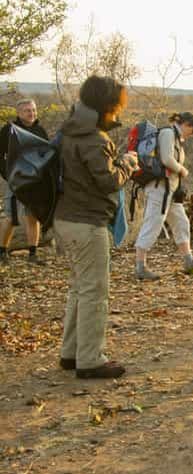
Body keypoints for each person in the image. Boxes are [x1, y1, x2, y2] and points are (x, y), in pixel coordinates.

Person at [54, 76, 138, 379]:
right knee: (94, 291)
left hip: (67, 219)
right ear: (107, 104)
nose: (119, 110)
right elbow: (107, 182)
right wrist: (127, 163)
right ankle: (90, 359)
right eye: (117, 104)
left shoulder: (70, 129)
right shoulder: (93, 138)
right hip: (87, 222)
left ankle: (72, 353)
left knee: (80, 288)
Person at [134, 111, 193, 280]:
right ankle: (140, 266)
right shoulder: (168, 133)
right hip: (160, 188)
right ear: (187, 125)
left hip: (170, 190)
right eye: (192, 130)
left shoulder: (176, 137)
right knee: (152, 224)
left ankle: (188, 260)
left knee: (182, 222)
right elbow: (167, 159)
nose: (191, 135)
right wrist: (183, 170)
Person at [0, 99, 50, 265]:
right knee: (10, 217)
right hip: (13, 179)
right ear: (19, 113)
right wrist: (7, 174)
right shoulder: (8, 130)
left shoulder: (40, 130)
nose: (32, 113)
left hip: (33, 182)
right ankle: (2, 253)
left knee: (32, 216)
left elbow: (46, 155)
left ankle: (32, 255)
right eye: (27, 110)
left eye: (34, 110)